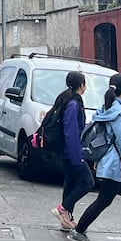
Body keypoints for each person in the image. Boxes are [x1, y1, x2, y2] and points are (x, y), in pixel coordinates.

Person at [68, 73, 121, 241]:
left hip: (115, 165)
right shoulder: (119, 113)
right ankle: (78, 231)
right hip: (115, 166)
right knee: (104, 200)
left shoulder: (105, 109)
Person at [50, 71, 94, 231]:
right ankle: (63, 208)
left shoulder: (68, 99)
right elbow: (71, 133)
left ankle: (66, 220)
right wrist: (78, 157)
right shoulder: (73, 104)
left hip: (68, 152)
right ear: (82, 85)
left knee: (70, 183)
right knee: (88, 182)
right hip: (72, 152)